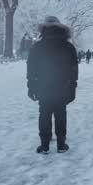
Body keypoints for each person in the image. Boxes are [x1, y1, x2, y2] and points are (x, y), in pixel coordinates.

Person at [27, 16, 78, 154]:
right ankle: (61, 145)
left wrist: (31, 87)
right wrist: (73, 87)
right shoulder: (68, 47)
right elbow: (73, 69)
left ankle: (44, 145)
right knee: (61, 115)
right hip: (62, 87)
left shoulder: (37, 47)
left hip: (43, 86)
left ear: (44, 29)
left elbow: (31, 68)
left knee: (44, 114)